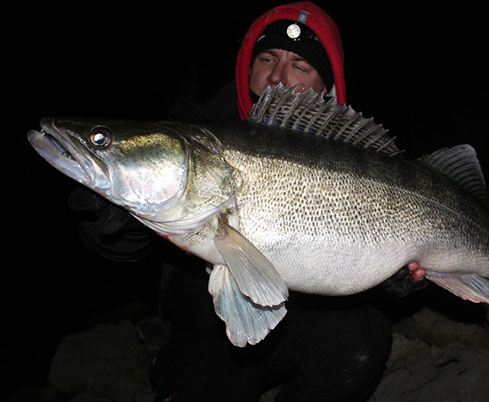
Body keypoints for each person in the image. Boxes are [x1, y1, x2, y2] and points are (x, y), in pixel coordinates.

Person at [71, 3, 426, 401]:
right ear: (247, 63)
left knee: (362, 341)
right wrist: (118, 229)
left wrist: (393, 278)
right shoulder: (196, 127)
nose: (277, 76)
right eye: (268, 57)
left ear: (326, 88)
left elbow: (345, 255)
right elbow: (131, 251)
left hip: (308, 319)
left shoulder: (349, 154)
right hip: (206, 328)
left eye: (300, 66)